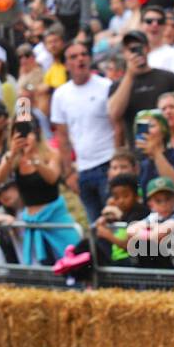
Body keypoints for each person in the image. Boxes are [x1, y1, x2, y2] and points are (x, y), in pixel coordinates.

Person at [0, 117, 75, 265]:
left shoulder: (50, 153)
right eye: (18, 133)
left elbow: (52, 178)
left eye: (27, 131)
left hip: (54, 218)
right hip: (31, 221)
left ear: (37, 132)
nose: (23, 137)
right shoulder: (14, 158)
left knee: (70, 263)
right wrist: (12, 153)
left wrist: (34, 158)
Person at [51, 41, 116, 222]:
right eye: (73, 56)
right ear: (66, 64)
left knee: (114, 222)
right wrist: (69, 172)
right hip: (83, 169)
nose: (80, 59)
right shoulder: (60, 94)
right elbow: (62, 137)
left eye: (83, 54)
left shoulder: (106, 86)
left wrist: (118, 162)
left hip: (108, 162)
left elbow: (117, 125)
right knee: (95, 226)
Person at [106, 29, 174, 145]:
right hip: (139, 148)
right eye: (131, 50)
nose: (136, 53)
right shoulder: (117, 86)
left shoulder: (168, 77)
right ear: (124, 53)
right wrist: (129, 75)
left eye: (139, 48)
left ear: (148, 49)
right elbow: (114, 114)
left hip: (168, 145)